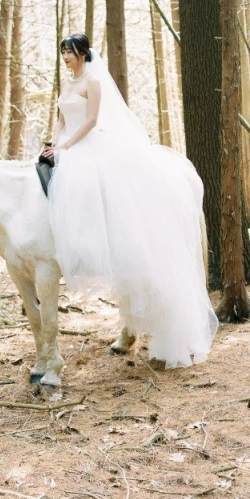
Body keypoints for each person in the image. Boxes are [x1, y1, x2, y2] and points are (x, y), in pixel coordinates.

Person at [42, 33, 218, 368]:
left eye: (70, 51)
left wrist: (67, 146)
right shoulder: (67, 85)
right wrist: (53, 143)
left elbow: (91, 121)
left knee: (84, 186)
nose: (65, 56)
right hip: (67, 144)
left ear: (83, 53)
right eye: (63, 51)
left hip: (86, 146)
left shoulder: (93, 83)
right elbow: (62, 119)